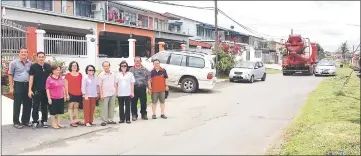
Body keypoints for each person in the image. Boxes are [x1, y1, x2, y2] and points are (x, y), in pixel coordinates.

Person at [8, 48, 33, 129]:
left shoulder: (30, 63)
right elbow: (10, 74)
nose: (23, 53)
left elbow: (31, 75)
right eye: (22, 52)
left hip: (27, 85)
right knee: (17, 104)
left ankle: (25, 120)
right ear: (19, 53)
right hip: (18, 84)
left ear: (27, 53)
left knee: (28, 103)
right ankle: (16, 122)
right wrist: (11, 87)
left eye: (25, 52)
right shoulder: (14, 63)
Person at [28, 52, 52, 129]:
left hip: (46, 90)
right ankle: (35, 121)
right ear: (37, 58)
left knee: (44, 106)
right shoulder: (33, 66)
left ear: (45, 58)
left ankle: (44, 120)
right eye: (40, 57)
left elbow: (51, 77)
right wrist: (29, 89)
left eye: (43, 57)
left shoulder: (48, 66)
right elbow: (31, 78)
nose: (41, 58)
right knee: (35, 106)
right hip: (36, 90)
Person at [129, 57, 151, 121]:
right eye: (136, 61)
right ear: (134, 62)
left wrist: (149, 88)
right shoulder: (131, 70)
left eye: (138, 61)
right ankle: (134, 115)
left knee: (143, 102)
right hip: (134, 88)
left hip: (142, 88)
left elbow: (149, 79)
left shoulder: (145, 70)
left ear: (141, 61)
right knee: (133, 102)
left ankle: (143, 114)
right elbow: (129, 80)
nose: (137, 62)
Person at [45, 64, 66, 129]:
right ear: (53, 71)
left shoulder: (61, 78)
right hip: (53, 98)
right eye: (57, 70)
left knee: (59, 112)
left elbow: (63, 87)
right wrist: (49, 98)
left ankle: (58, 123)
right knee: (53, 112)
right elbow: (47, 89)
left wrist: (64, 95)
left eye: (59, 70)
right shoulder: (49, 78)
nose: (58, 71)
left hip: (61, 97)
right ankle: (54, 124)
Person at [64, 61, 83, 127]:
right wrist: (67, 94)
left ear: (77, 67)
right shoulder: (67, 75)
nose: (74, 67)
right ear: (70, 67)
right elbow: (65, 85)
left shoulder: (80, 74)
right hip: (70, 93)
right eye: (73, 65)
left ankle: (77, 120)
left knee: (76, 107)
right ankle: (71, 121)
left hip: (78, 93)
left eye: (75, 65)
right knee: (70, 107)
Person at [98, 61, 117, 126]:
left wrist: (116, 92)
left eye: (107, 66)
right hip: (104, 93)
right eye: (105, 66)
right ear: (103, 67)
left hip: (112, 92)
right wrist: (101, 94)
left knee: (111, 107)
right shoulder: (101, 75)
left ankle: (110, 120)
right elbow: (100, 86)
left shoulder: (113, 74)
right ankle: (104, 120)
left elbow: (115, 83)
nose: (106, 67)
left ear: (109, 66)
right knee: (104, 107)